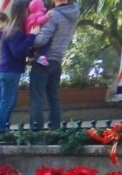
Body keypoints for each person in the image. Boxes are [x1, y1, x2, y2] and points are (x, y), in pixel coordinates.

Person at [29, 0, 81, 130]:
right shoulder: (74, 14)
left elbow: (41, 40)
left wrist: (31, 36)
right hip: (57, 61)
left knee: (37, 99)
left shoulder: (53, 15)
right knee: (54, 98)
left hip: (42, 61)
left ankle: (36, 133)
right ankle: (55, 131)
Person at [0, 0, 38, 132]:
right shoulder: (14, 31)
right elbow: (18, 51)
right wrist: (31, 36)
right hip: (10, 72)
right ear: (23, 11)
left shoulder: (11, 29)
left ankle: (3, 129)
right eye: (27, 10)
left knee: (9, 102)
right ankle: (0, 131)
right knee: (6, 103)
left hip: (8, 71)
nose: (29, 13)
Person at [26, 0, 51, 66]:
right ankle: (42, 57)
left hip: (29, 35)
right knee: (46, 42)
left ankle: (30, 58)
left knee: (32, 48)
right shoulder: (39, 13)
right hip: (36, 33)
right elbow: (40, 20)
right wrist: (46, 17)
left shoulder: (29, 16)